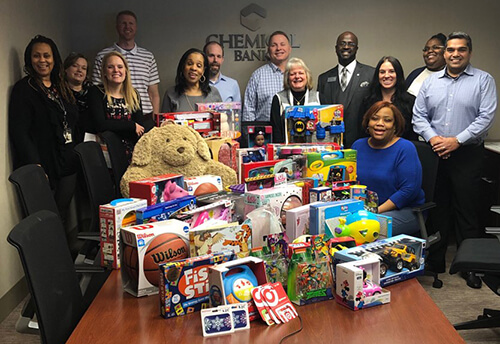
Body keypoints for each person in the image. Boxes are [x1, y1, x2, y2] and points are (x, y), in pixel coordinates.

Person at [413, 32, 497, 289]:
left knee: (467, 211)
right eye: (450, 49)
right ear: (444, 53)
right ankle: (435, 262)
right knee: (437, 209)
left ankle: (469, 267)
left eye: (461, 49)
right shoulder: (430, 82)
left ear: (469, 52)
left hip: (467, 154)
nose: (455, 54)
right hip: (436, 153)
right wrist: (436, 140)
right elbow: (419, 116)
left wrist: (456, 140)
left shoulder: (483, 80)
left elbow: (486, 117)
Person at [9, 35, 80, 221]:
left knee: (61, 215)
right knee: (45, 218)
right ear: (29, 59)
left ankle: (62, 250)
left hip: (66, 162)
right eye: (36, 56)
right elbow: (20, 132)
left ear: (54, 59)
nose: (42, 61)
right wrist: (36, 166)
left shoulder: (60, 87)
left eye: (47, 56)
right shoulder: (24, 89)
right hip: (43, 165)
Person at [352, 101, 424, 236]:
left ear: (395, 126)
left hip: (405, 211)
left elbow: (408, 191)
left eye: (387, 120)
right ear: (368, 123)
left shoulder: (405, 148)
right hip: (364, 210)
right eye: (375, 118)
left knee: (364, 229)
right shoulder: (358, 146)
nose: (380, 123)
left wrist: (375, 211)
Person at [92, 10, 159, 127]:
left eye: (131, 23)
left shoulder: (148, 56)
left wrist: (156, 120)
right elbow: (97, 89)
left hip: (145, 117)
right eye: (123, 23)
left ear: (136, 27)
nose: (127, 27)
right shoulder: (102, 56)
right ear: (117, 27)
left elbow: (154, 93)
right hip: (115, 118)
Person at [317, 31, 375, 148]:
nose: (346, 47)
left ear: (356, 48)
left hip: (362, 141)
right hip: (331, 143)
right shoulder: (324, 78)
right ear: (336, 48)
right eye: (342, 43)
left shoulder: (371, 74)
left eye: (351, 44)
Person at [88, 51, 146, 161]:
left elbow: (140, 129)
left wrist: (117, 126)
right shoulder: (96, 92)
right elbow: (100, 125)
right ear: (104, 72)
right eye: (110, 67)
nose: (116, 70)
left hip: (131, 154)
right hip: (105, 154)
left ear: (126, 71)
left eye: (120, 67)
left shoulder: (134, 94)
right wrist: (131, 126)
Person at [360, 56, 417, 140]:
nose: (386, 76)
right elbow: (363, 130)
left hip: (401, 149)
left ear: (398, 74)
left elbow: (413, 134)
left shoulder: (410, 101)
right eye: (382, 72)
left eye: (391, 71)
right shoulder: (368, 100)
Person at [243, 31, 292, 122]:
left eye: (282, 44)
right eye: (274, 45)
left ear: (289, 49)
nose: (278, 48)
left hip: (294, 132)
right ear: (269, 50)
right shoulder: (257, 76)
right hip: (266, 133)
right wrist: (253, 134)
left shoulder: (298, 74)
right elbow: (248, 110)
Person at [269, 57, 320, 143]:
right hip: (286, 149)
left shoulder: (319, 97)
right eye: (293, 74)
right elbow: (276, 131)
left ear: (307, 76)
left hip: (314, 150)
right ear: (287, 78)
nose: (297, 76)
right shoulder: (278, 99)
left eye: (301, 73)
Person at [161, 48, 222, 112]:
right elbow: (163, 121)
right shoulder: (171, 93)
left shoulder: (213, 93)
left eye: (199, 65)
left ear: (203, 70)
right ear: (183, 66)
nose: (193, 68)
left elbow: (223, 119)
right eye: (189, 64)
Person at [64, 52, 93, 137]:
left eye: (84, 68)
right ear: (66, 69)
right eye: (75, 66)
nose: (79, 70)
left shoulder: (92, 93)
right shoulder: (59, 93)